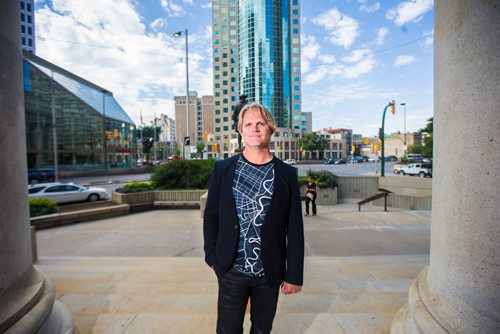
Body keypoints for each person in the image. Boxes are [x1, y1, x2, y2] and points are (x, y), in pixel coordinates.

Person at [204, 102, 304, 333]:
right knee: (227, 330)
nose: (254, 128)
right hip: (231, 269)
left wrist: (294, 274)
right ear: (241, 130)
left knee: (262, 329)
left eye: (260, 123)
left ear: (269, 128)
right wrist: (213, 257)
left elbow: (295, 228)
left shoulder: (287, 174)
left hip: (269, 271)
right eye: (248, 124)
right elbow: (212, 216)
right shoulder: (224, 169)